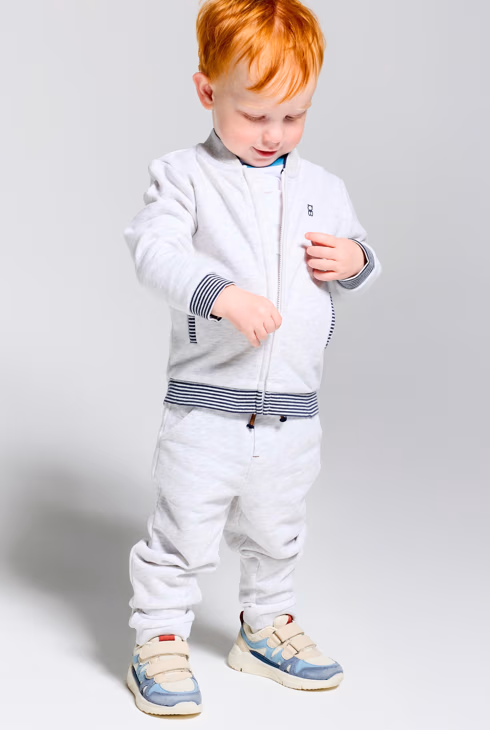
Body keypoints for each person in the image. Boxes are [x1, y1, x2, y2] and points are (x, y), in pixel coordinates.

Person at [123, 0, 382, 716]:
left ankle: (264, 627)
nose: (274, 134)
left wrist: (355, 259)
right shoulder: (184, 176)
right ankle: (159, 637)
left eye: (293, 116)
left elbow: (362, 262)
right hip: (207, 411)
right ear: (207, 91)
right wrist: (221, 295)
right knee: (182, 532)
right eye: (256, 114)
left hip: (292, 414)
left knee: (278, 532)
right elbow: (152, 251)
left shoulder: (323, 189)